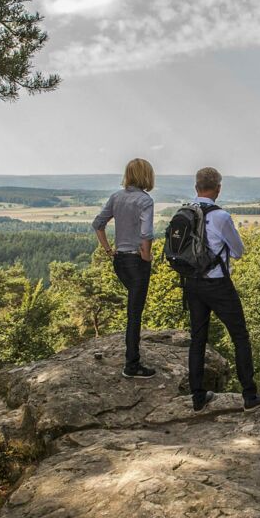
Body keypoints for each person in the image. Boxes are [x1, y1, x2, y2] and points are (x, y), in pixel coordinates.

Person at [185, 167, 260, 412]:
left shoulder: (185, 211)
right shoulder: (220, 217)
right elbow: (238, 251)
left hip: (192, 282)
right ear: (218, 188)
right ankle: (249, 396)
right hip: (218, 283)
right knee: (240, 337)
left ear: (196, 187)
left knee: (198, 339)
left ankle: (198, 398)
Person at [93, 158, 158, 379]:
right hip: (137, 261)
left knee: (133, 309)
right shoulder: (145, 201)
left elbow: (98, 224)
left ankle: (133, 359)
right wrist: (147, 257)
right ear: (146, 176)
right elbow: (146, 234)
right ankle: (132, 365)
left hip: (119, 260)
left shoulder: (116, 197)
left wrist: (109, 250)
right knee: (134, 314)